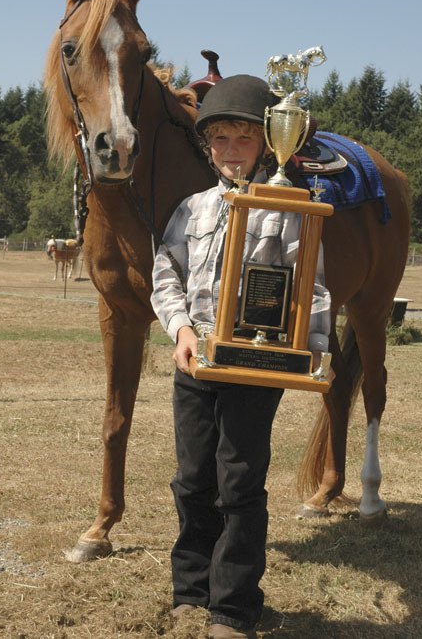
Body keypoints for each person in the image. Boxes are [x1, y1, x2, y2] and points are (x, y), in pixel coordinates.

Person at [151, 75, 331, 639]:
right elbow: (166, 273)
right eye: (220, 140)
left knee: (240, 482)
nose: (230, 151)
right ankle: (191, 590)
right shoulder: (191, 209)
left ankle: (232, 608)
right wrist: (180, 329)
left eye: (244, 139)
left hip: (257, 369)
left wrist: (314, 351)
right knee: (192, 478)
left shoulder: (289, 211)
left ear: (270, 144)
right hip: (195, 364)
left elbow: (313, 290)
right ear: (208, 147)